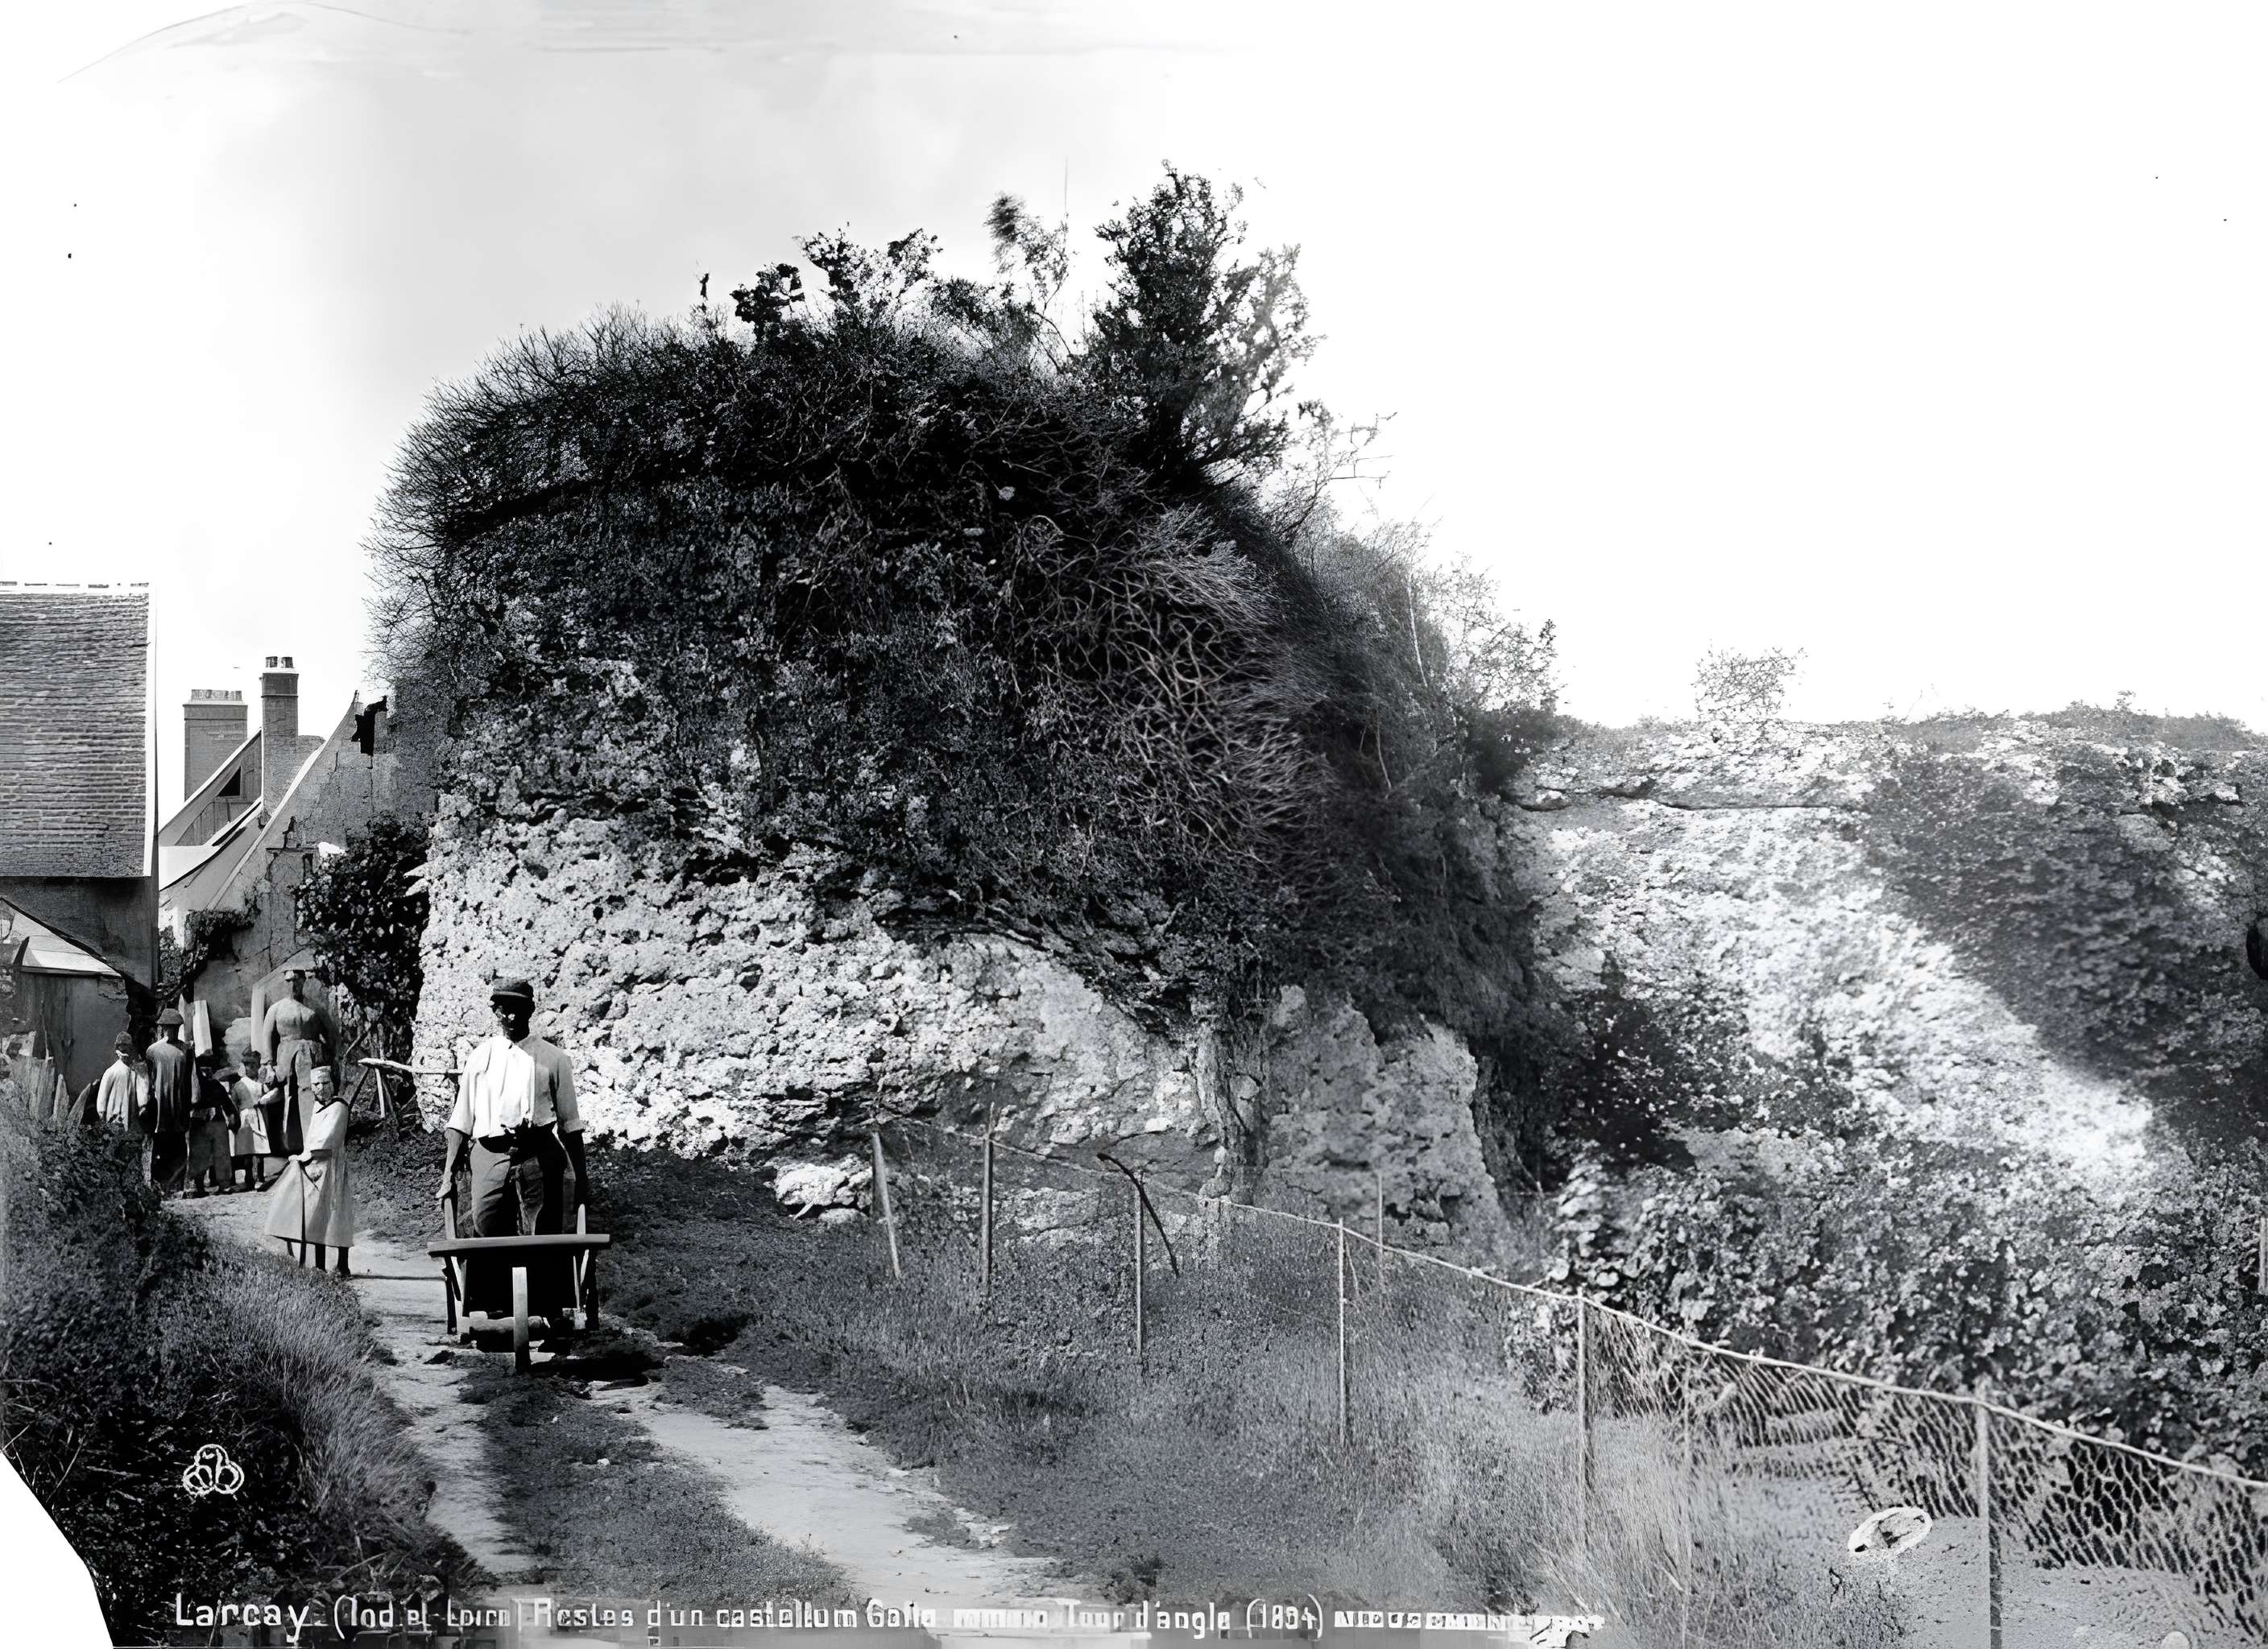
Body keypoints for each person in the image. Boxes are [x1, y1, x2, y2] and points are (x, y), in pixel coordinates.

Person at [435, 977, 590, 1335]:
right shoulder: (481, 1056)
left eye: (517, 1007)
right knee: (487, 1224)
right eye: (502, 1008)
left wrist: (581, 1179)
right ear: (495, 1011)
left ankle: (550, 1309)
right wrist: (447, 1176)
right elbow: (460, 1121)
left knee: (542, 1229)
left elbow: (570, 1124)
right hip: (490, 1151)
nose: (509, 1015)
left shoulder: (553, 1058)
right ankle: (491, 1308)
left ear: (530, 1010)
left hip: (538, 1150)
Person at [264, 1064, 354, 1274]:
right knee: (314, 1215)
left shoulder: (339, 1107)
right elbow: (311, 1137)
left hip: (331, 1167)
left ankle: (342, 1264)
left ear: (332, 1085)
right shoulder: (315, 1107)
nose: (321, 1088)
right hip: (313, 1167)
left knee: (335, 1214)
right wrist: (304, 1158)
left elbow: (329, 1138)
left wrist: (304, 1156)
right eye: (316, 1084)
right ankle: (318, 1264)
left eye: (325, 1083)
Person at [260, 967, 335, 1156]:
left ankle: (312, 1142)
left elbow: (330, 1033)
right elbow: (267, 1036)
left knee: (311, 1096)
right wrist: (268, 1064)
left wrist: (332, 1055)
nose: (294, 985)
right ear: (286, 983)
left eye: (298, 980)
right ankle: (286, 1145)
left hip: (312, 1057)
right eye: (290, 981)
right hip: (286, 1060)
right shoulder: (276, 1009)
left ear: (304, 982)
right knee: (285, 1098)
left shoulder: (315, 1008)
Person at [142, 1009, 195, 1196]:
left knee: (179, 1146)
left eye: (175, 1028)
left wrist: (191, 1103)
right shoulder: (153, 1051)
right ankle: (159, 1188)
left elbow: (190, 1079)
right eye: (168, 1027)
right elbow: (148, 1079)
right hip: (160, 1106)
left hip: (179, 1105)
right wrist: (146, 1102)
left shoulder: (186, 1049)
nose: (171, 1031)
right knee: (160, 1146)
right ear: (162, 1028)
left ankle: (177, 1187)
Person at [183, 1051, 239, 1196]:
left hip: (217, 1122)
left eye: (208, 1070)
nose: (206, 1073)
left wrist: (232, 1116)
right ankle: (199, 1186)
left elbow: (228, 1104)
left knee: (221, 1154)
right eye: (203, 1070)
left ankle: (224, 1185)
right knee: (199, 1155)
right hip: (199, 1123)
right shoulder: (191, 1086)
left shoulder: (216, 1086)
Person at [228, 1057, 274, 1191]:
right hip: (247, 1118)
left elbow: (234, 1105)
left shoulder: (253, 1085)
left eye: (251, 1066)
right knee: (251, 1150)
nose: (249, 1069)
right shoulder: (243, 1086)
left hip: (251, 1116)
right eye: (247, 1066)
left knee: (253, 1150)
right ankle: (253, 1178)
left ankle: (254, 1178)